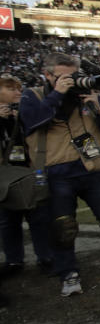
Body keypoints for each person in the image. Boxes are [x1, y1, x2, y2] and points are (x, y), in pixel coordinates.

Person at [19, 53, 100, 296]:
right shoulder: (33, 96)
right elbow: (31, 122)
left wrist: (98, 106)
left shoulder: (87, 95)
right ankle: (68, 273)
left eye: (73, 76)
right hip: (56, 169)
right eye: (64, 77)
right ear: (48, 75)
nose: (72, 81)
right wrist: (57, 94)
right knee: (63, 228)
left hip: (93, 166)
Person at [0, 74, 53, 277]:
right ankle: (14, 260)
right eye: (11, 89)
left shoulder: (24, 111)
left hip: (32, 169)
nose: (17, 92)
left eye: (18, 89)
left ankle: (45, 256)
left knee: (39, 214)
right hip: (6, 175)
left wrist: (17, 120)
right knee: (7, 219)